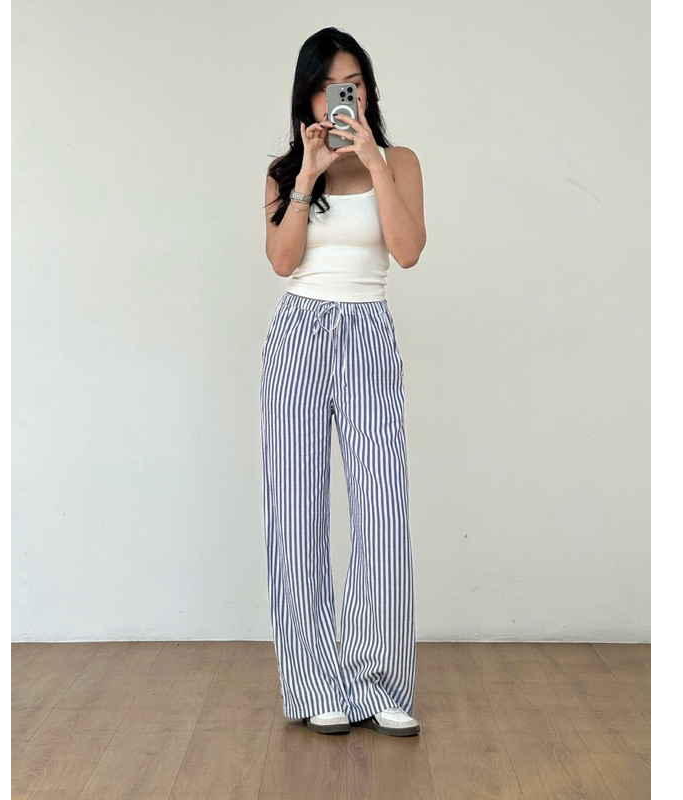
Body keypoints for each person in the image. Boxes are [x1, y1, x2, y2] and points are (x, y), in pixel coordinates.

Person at [260, 27, 426, 737]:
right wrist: (309, 174)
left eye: (352, 83)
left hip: (368, 333)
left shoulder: (399, 160)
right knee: (295, 509)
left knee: (381, 508)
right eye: (329, 86)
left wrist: (372, 162)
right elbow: (281, 261)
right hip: (299, 333)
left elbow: (408, 251)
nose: (342, 95)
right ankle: (313, 681)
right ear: (309, 96)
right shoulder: (283, 172)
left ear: (368, 90)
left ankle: (379, 681)